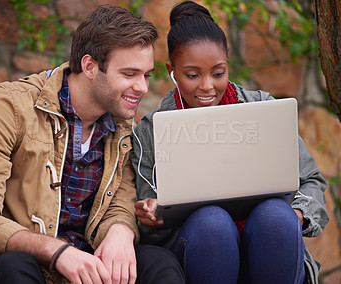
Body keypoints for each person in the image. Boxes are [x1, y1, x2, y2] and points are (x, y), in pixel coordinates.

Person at [0, 5, 185, 284]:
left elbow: (121, 199)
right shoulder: (8, 107)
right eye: (129, 74)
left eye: (146, 75)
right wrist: (56, 251)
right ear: (89, 66)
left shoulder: (122, 128)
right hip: (14, 264)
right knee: (17, 269)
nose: (143, 87)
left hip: (87, 264)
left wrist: (121, 231)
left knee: (159, 263)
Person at [131, 1, 329, 284]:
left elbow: (310, 180)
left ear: (228, 65)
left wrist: (297, 214)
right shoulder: (151, 130)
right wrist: (152, 214)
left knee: (275, 215)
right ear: (171, 70)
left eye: (218, 72)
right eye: (192, 75)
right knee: (213, 223)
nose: (207, 86)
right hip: (200, 253)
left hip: (269, 247)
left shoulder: (263, 109)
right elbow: (146, 224)